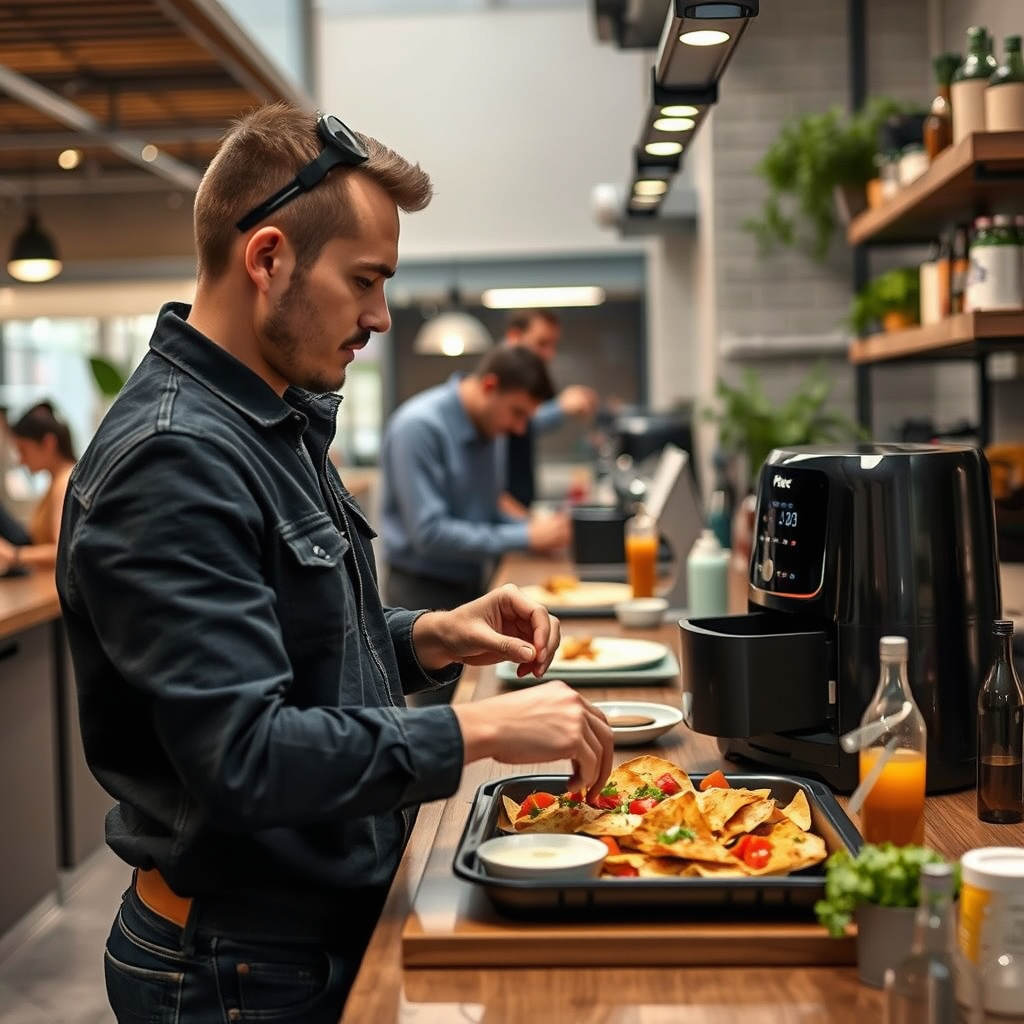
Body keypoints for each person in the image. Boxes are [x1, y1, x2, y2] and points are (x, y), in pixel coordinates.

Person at [56, 102, 613, 1024]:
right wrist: (479, 731)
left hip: (298, 940)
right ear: (268, 258)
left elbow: (292, 649)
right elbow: (245, 755)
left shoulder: (267, 420)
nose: (380, 318)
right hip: (239, 969)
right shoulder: (173, 458)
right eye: (364, 281)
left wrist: (432, 636)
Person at [380, 343, 572, 615]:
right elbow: (430, 534)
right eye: (518, 413)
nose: (519, 429)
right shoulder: (418, 427)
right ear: (490, 386)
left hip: (473, 581)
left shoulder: (491, 426)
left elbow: (486, 509)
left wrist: (536, 529)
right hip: (421, 594)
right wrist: (526, 536)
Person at [500, 308, 600, 516]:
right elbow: (517, 424)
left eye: (553, 345)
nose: (549, 354)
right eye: (541, 343)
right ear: (515, 337)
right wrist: (560, 406)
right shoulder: (502, 382)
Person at [0, 401, 76, 574]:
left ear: (48, 443)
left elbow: (62, 550)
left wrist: (14, 555)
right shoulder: (57, 482)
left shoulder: (64, 482)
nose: (21, 460)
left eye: (23, 450)